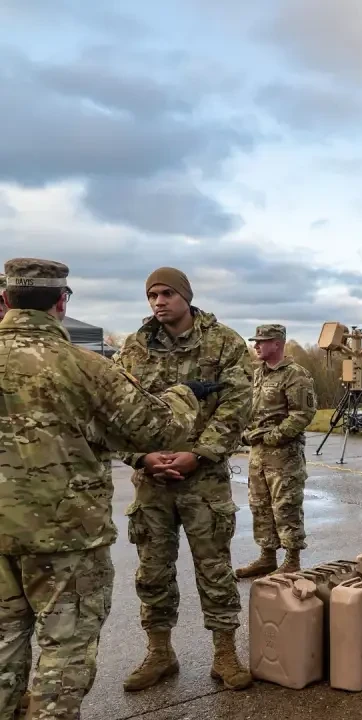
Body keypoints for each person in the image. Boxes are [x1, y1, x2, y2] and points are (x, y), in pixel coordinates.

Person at [0, 257, 212, 720]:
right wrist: (185, 394)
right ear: (61, 302)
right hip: (65, 539)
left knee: (3, 646)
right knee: (64, 654)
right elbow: (156, 427)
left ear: (5, 299)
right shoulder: (83, 367)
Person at [112, 267, 255, 692]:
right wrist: (140, 457)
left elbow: (237, 405)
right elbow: (116, 410)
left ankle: (225, 653)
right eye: (152, 295)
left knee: (215, 568)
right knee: (152, 570)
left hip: (204, 479)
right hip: (152, 480)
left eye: (167, 294)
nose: (158, 302)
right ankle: (160, 652)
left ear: (186, 297)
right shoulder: (134, 348)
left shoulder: (223, 342)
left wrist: (200, 454)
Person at [235, 324, 317, 578]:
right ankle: (267, 557)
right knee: (260, 505)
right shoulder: (257, 374)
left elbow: (302, 414)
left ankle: (292, 560)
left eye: (262, 341)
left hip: (284, 455)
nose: (256, 345)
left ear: (277, 343)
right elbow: (249, 409)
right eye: (255, 341)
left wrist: (274, 436)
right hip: (258, 454)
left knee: (286, 505)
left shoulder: (295, 375)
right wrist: (245, 432)